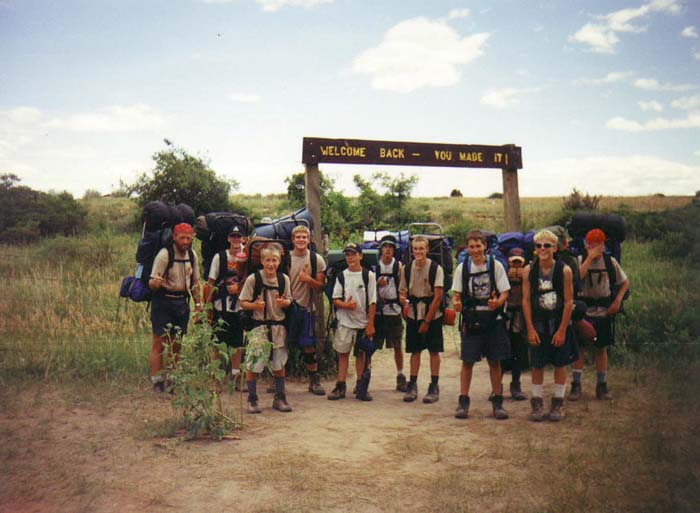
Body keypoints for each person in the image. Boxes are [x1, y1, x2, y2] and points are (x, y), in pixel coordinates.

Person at [451, 230, 511, 419]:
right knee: (467, 362)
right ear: (467, 248)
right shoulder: (462, 268)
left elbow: (505, 291)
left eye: (478, 246)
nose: (475, 250)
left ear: (485, 246)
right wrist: (456, 303)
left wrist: (498, 303)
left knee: (495, 361)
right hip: (471, 320)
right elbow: (456, 294)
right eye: (471, 247)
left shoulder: (496, 266)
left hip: (493, 320)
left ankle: (497, 402)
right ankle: (463, 402)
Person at [522, 229, 578, 422]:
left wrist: (562, 330)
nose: (543, 249)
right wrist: (530, 328)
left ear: (555, 248)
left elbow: (569, 301)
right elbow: (526, 300)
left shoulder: (564, 270)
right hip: (537, 324)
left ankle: (558, 402)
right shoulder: (529, 271)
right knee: (537, 364)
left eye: (547, 245)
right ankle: (537, 402)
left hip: (558, 322)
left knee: (560, 364)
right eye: (539, 246)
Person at [571, 228, 629, 401]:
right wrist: (589, 258)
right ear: (585, 245)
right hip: (584, 311)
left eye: (597, 245)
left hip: (604, 311)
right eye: (590, 244)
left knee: (601, 348)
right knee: (580, 348)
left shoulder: (610, 262)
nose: (594, 248)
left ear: (603, 245)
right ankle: (576, 385)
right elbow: (576, 280)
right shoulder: (579, 260)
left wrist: (617, 301)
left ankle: (601, 385)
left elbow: (625, 281)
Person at [148, 222, 202, 394]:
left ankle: (173, 379)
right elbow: (152, 282)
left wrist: (198, 305)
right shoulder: (164, 255)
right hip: (163, 302)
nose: (185, 241)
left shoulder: (192, 255)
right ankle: (157, 381)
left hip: (181, 303)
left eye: (188, 238)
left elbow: (195, 283)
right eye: (182, 238)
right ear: (174, 237)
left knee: (177, 343)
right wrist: (155, 283)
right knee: (159, 342)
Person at [239, 245, 293, 413]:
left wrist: (284, 303)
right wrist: (255, 306)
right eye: (268, 260)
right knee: (254, 364)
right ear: (262, 261)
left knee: (279, 363)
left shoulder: (284, 279)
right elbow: (243, 302)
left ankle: (280, 397)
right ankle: (252, 399)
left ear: (279, 261)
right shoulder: (253, 279)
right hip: (259, 328)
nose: (271, 264)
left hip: (278, 328)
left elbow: (289, 300)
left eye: (274, 260)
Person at [328, 243, 377, 401]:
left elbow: (373, 302)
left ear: (360, 256)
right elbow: (335, 299)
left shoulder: (369, 276)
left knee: (361, 355)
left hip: (362, 322)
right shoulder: (341, 276)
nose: (350, 258)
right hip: (345, 322)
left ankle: (360, 385)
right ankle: (340, 385)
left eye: (353, 254)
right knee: (343, 354)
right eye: (347, 255)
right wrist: (346, 305)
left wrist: (370, 324)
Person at [399, 236, 444, 404]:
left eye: (421, 248)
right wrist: (402, 299)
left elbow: (438, 297)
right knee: (415, 351)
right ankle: (412, 385)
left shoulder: (435, 268)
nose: (418, 252)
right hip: (413, 313)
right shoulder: (407, 268)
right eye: (415, 249)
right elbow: (402, 290)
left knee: (434, 351)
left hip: (432, 314)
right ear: (412, 250)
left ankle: (434, 385)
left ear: (427, 249)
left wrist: (427, 321)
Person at [203, 225, 248, 390]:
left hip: (239, 307)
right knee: (216, 343)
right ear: (228, 238)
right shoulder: (220, 257)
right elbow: (210, 282)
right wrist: (206, 307)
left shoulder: (248, 256)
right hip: (219, 306)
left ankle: (236, 376)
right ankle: (215, 378)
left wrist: (239, 288)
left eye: (239, 236)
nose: (236, 239)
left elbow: (251, 278)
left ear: (244, 239)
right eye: (233, 236)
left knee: (237, 344)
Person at [286, 225, 327, 395]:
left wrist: (308, 279)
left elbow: (320, 288)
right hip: (286, 307)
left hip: (307, 308)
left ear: (309, 239)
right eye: (298, 237)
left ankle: (314, 380)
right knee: (281, 345)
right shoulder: (285, 258)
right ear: (292, 239)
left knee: (308, 346)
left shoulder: (316, 259)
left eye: (304, 237)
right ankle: (277, 380)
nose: (301, 240)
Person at [374, 235, 408, 392]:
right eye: (385, 247)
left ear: (394, 250)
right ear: (381, 249)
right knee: (372, 345)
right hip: (378, 311)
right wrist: (376, 283)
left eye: (390, 247)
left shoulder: (398, 266)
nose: (388, 250)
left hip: (394, 310)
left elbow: (403, 286)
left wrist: (403, 297)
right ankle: (364, 376)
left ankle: (400, 376)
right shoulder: (375, 266)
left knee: (397, 345)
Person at [500, 247, 529, 401]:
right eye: (514, 263)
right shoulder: (502, 274)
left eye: (519, 263)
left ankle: (516, 384)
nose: (516, 266)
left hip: (520, 317)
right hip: (505, 316)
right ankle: (497, 386)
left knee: (518, 350)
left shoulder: (527, 276)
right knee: (500, 351)